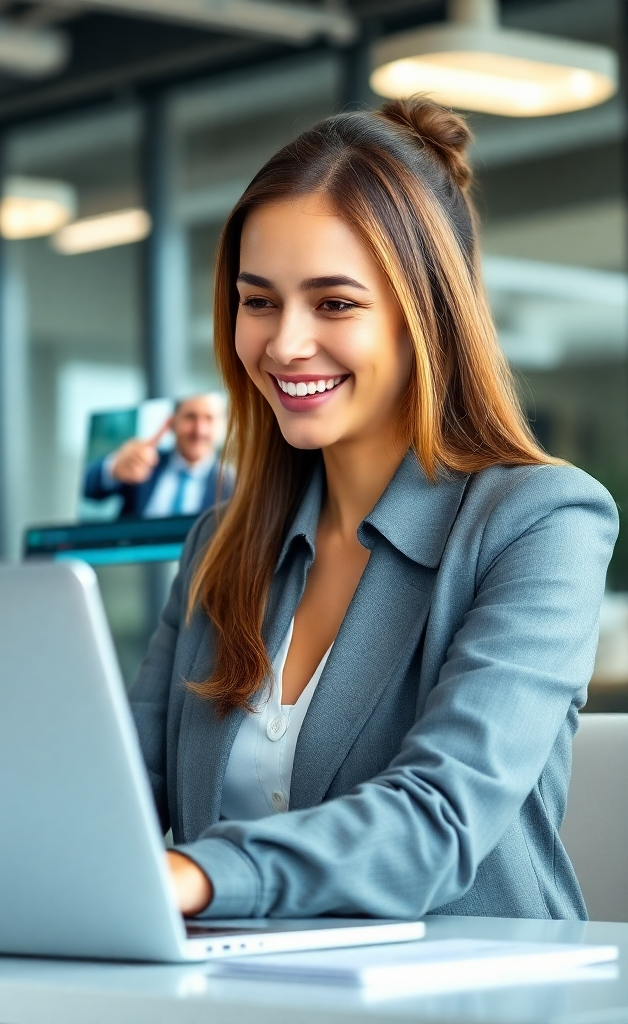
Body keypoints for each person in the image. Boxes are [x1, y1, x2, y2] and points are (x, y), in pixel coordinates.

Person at [129, 98, 618, 922]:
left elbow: (438, 820)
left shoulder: (542, 522)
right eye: (259, 301)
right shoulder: (221, 544)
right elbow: (120, 790)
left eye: (334, 303)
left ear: (423, 317)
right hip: (236, 998)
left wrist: (199, 876)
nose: (285, 344)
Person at [82, 393, 232, 519]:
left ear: (223, 426)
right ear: (172, 423)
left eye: (209, 419)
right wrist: (113, 468)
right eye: (190, 417)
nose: (199, 430)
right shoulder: (143, 461)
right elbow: (87, 488)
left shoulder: (234, 485)